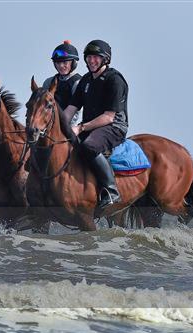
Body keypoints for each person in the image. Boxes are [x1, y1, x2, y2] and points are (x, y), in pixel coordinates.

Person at [59, 39, 129, 210]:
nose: (91, 61)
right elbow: (71, 109)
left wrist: (81, 128)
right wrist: (59, 128)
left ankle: (111, 191)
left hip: (113, 127)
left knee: (89, 146)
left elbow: (108, 117)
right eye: (89, 57)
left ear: (106, 59)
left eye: (96, 57)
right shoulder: (86, 80)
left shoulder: (115, 80)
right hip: (92, 125)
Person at [42, 40, 82, 126]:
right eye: (57, 63)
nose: (60, 66)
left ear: (74, 63)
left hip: (72, 127)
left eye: (65, 62)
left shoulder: (78, 82)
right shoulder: (48, 82)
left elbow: (75, 114)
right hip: (49, 125)